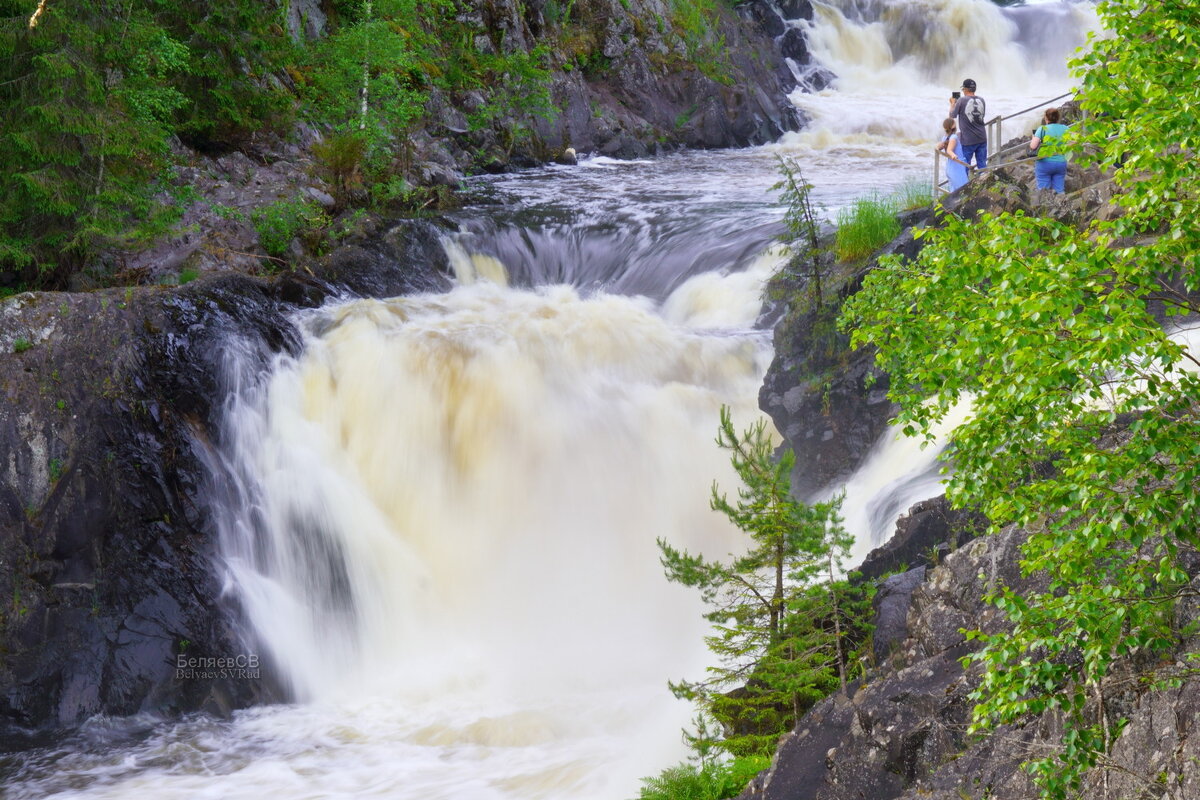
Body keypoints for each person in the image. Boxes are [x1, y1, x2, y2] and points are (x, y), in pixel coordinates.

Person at [949, 78, 987, 171]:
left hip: (968, 140)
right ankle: (983, 183)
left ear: (965, 89)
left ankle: (966, 185)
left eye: (963, 89)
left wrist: (953, 104)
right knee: (982, 165)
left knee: (965, 166)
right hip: (982, 137)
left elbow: (952, 116)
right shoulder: (982, 100)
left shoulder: (961, 100)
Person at [1029, 106, 1068, 193]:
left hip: (1044, 163)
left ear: (1046, 118)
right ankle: (1061, 204)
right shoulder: (1065, 128)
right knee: (1060, 190)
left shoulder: (1042, 129)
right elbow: (1074, 141)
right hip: (1061, 162)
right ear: (1058, 118)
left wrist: (1034, 137)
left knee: (1044, 191)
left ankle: (1045, 205)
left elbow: (1033, 146)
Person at [936, 118, 970, 191]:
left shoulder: (945, 137)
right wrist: (953, 155)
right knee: (963, 189)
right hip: (957, 166)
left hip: (950, 166)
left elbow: (938, 147)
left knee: (954, 190)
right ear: (953, 126)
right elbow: (949, 150)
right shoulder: (953, 137)